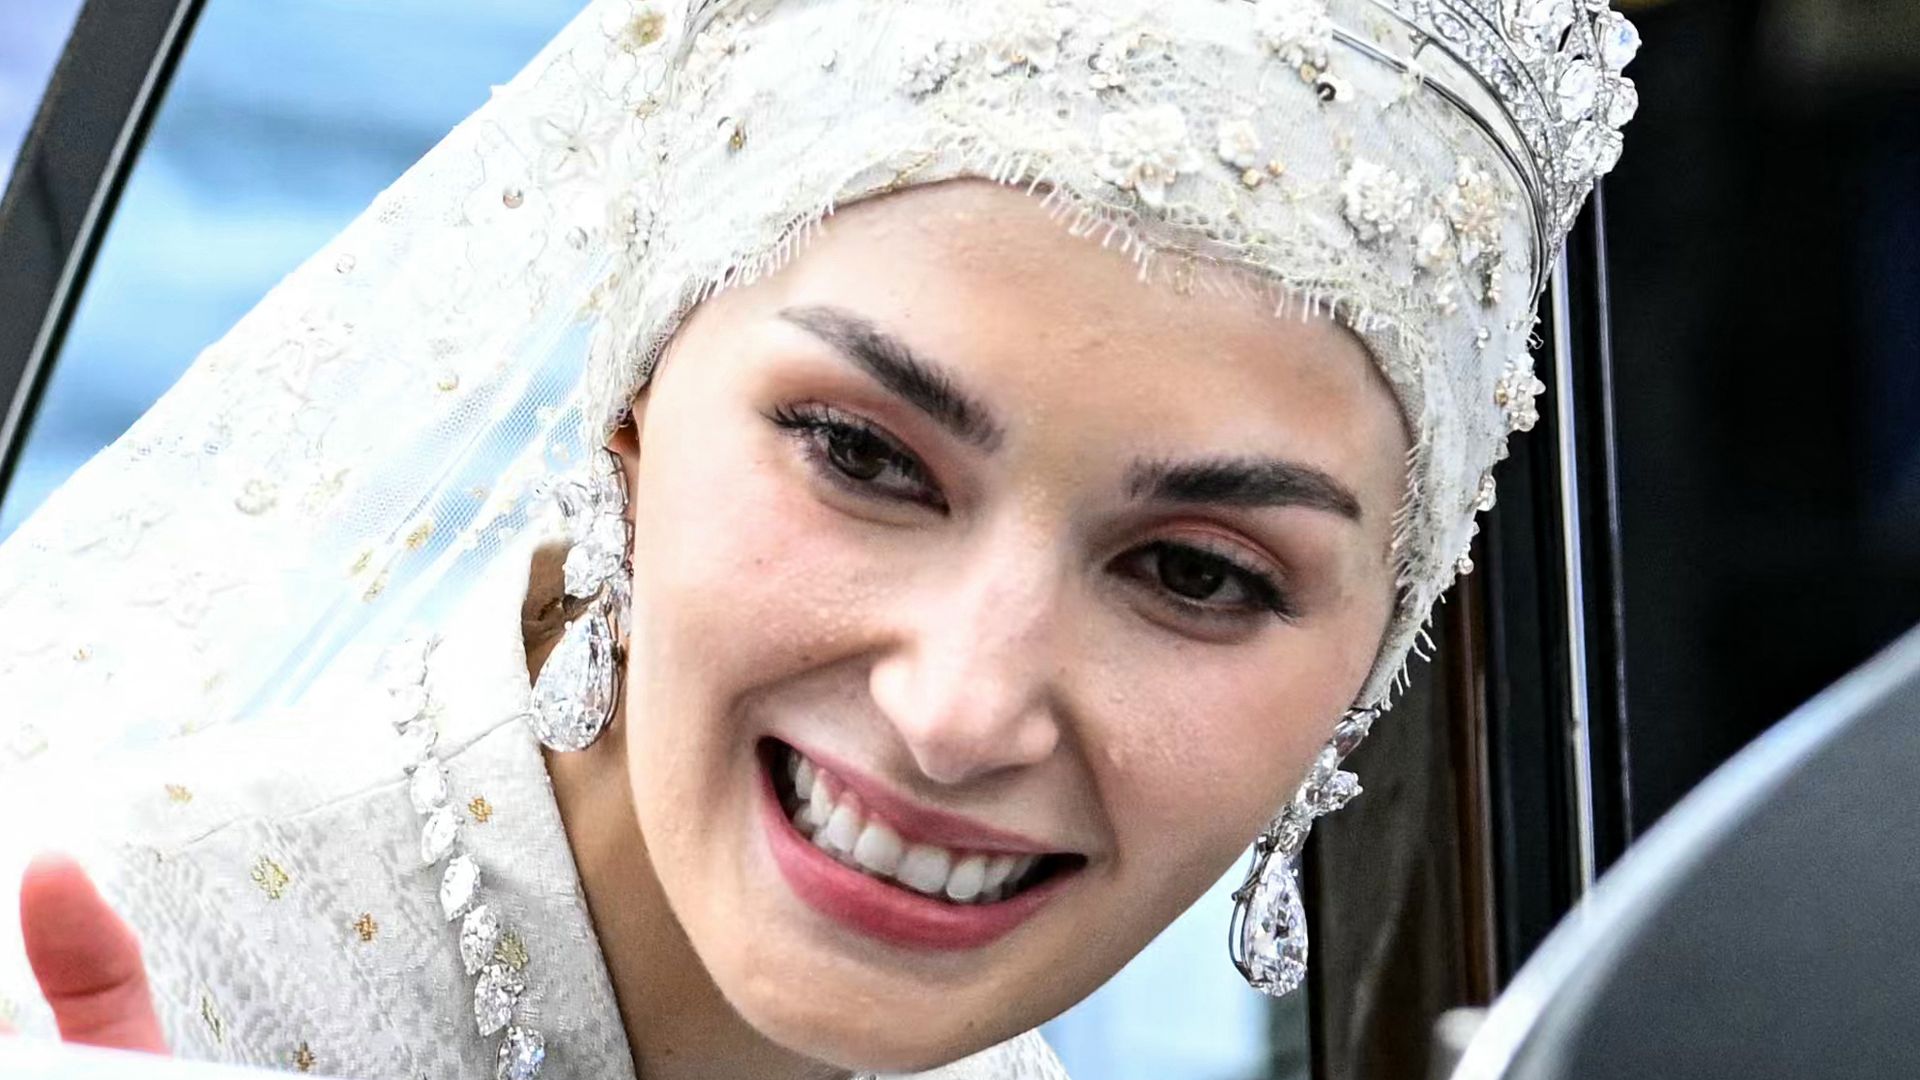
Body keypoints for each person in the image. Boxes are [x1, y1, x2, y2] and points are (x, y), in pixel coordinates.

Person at [0, 1, 1641, 1078]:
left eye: (1195, 573)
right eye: (864, 457)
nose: (956, 710)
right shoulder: (98, 981)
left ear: (1373, 668)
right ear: (630, 412)